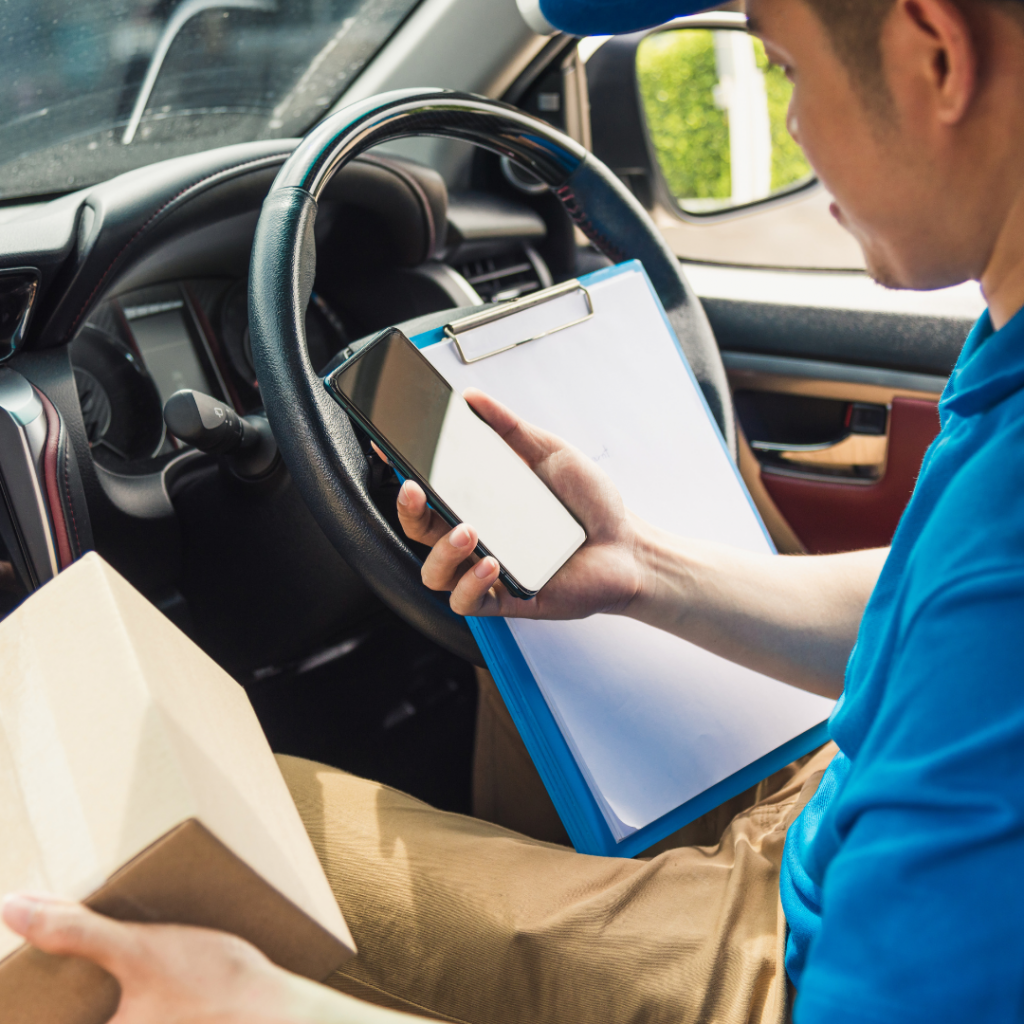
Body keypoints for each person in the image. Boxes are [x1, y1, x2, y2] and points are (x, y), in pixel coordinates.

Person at [7, 0, 1024, 1019]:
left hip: (792, 955)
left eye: (785, 67)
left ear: (935, 52)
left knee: (107, 864)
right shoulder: (1004, 355)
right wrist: (643, 569)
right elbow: (922, 610)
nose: (792, 127)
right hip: (838, 802)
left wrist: (265, 1006)